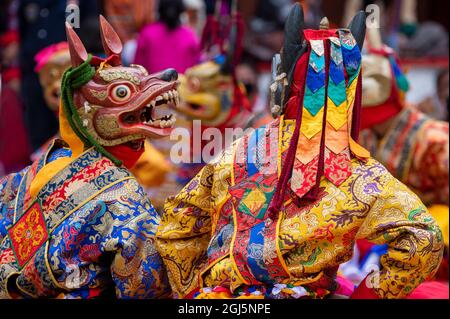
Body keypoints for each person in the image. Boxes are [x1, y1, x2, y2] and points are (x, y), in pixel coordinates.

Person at [155, 4, 443, 299]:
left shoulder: (237, 151)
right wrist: (369, 294)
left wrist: (192, 291)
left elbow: (177, 224)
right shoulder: (357, 174)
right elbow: (424, 238)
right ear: (350, 94)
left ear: (283, 84)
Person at [0, 16, 175, 299]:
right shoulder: (122, 195)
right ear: (88, 114)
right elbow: (146, 286)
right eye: (123, 94)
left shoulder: (31, 171)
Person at [134, 0, 201, 74]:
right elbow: (197, 67)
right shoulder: (189, 35)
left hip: (153, 84)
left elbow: (137, 68)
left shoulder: (147, 33)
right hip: (181, 84)